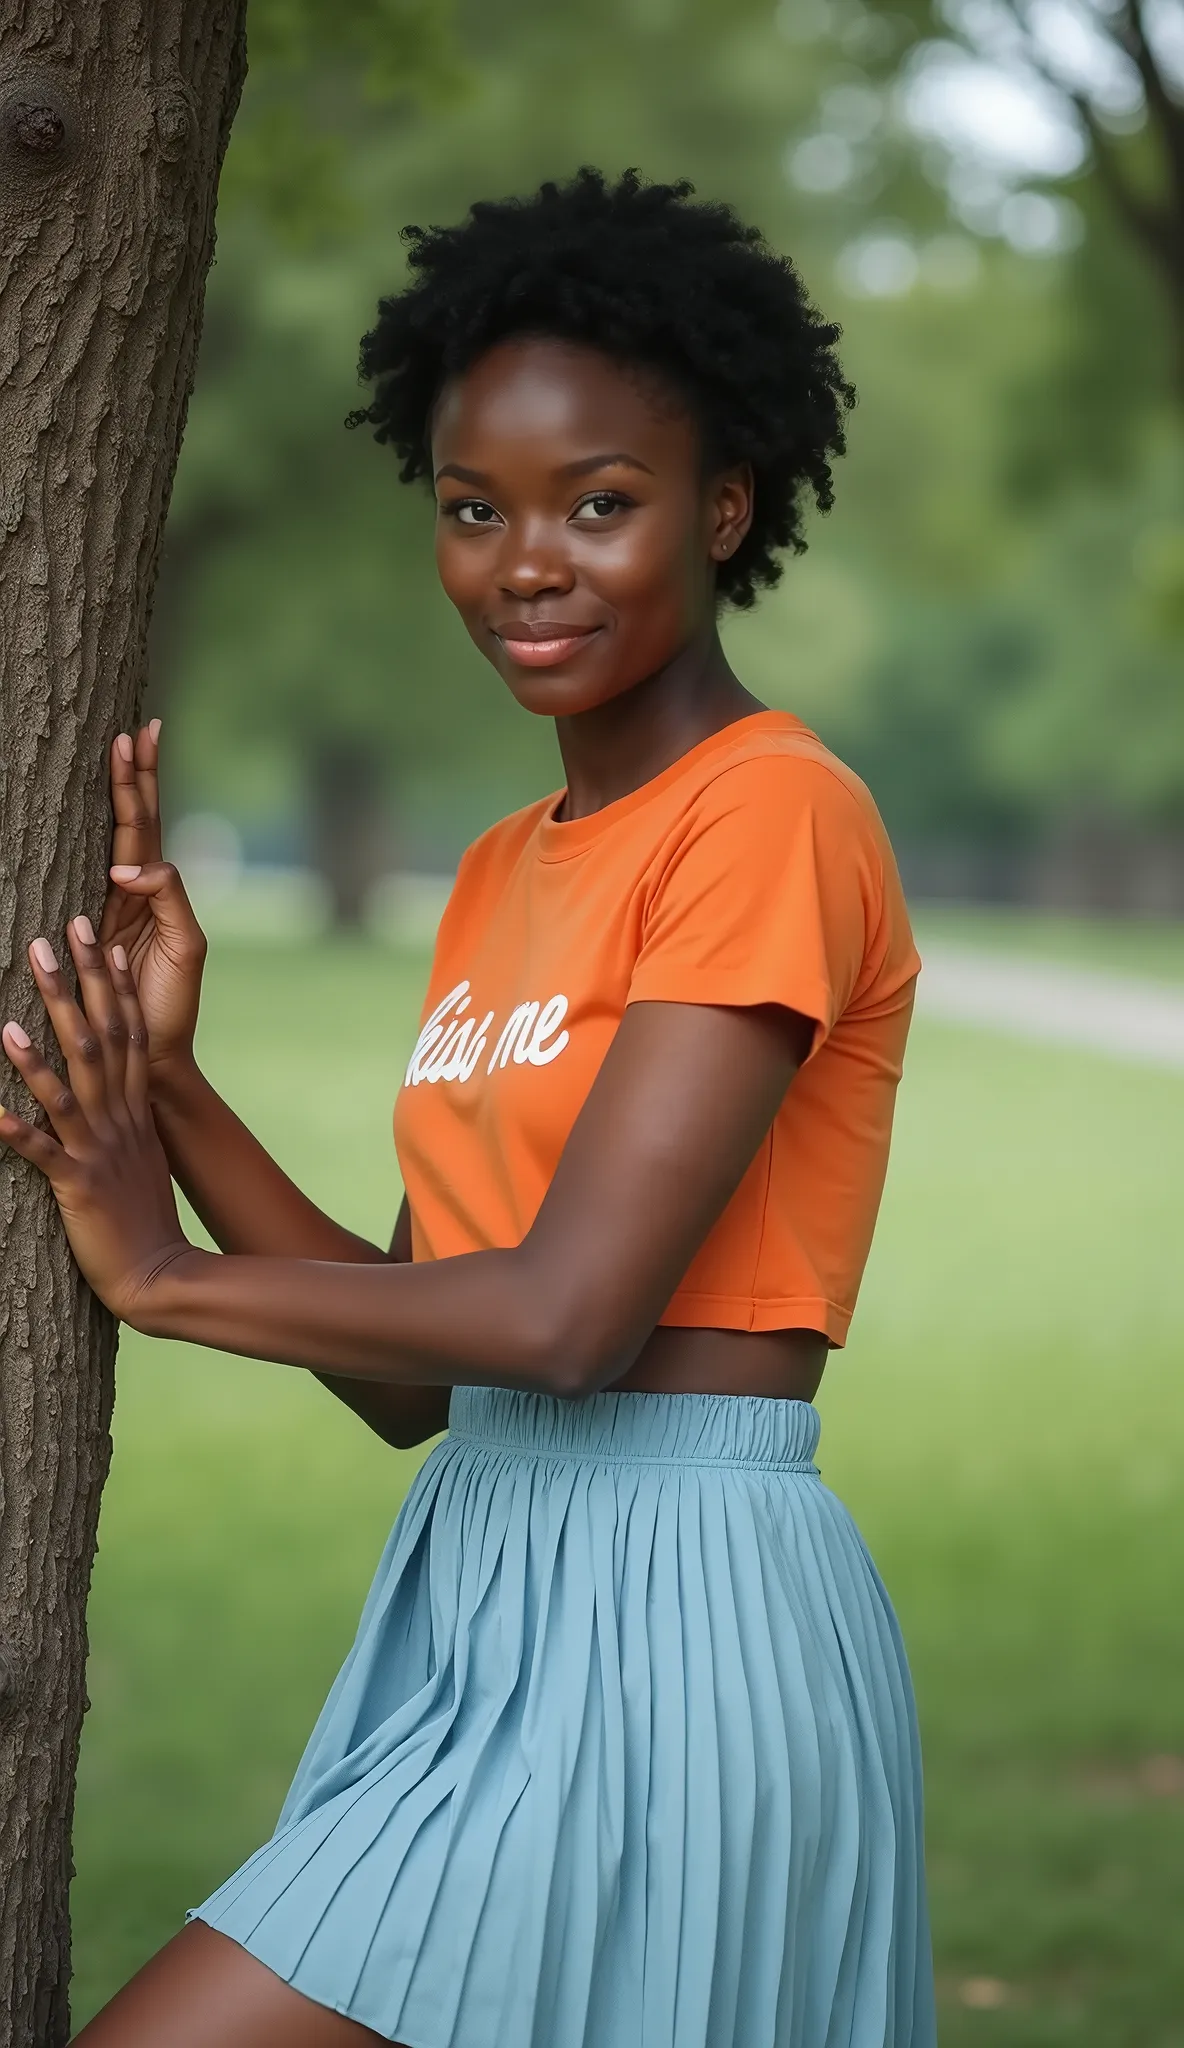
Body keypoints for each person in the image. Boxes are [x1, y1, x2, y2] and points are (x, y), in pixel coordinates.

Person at [1, 169, 936, 2047]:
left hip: (679, 1623)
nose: (529, 561)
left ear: (725, 507)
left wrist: (162, 1280)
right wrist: (173, 1087)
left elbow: (568, 1322)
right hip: (487, 1598)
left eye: (602, 504)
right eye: (474, 510)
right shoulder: (509, 865)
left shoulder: (772, 814)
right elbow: (421, 1371)